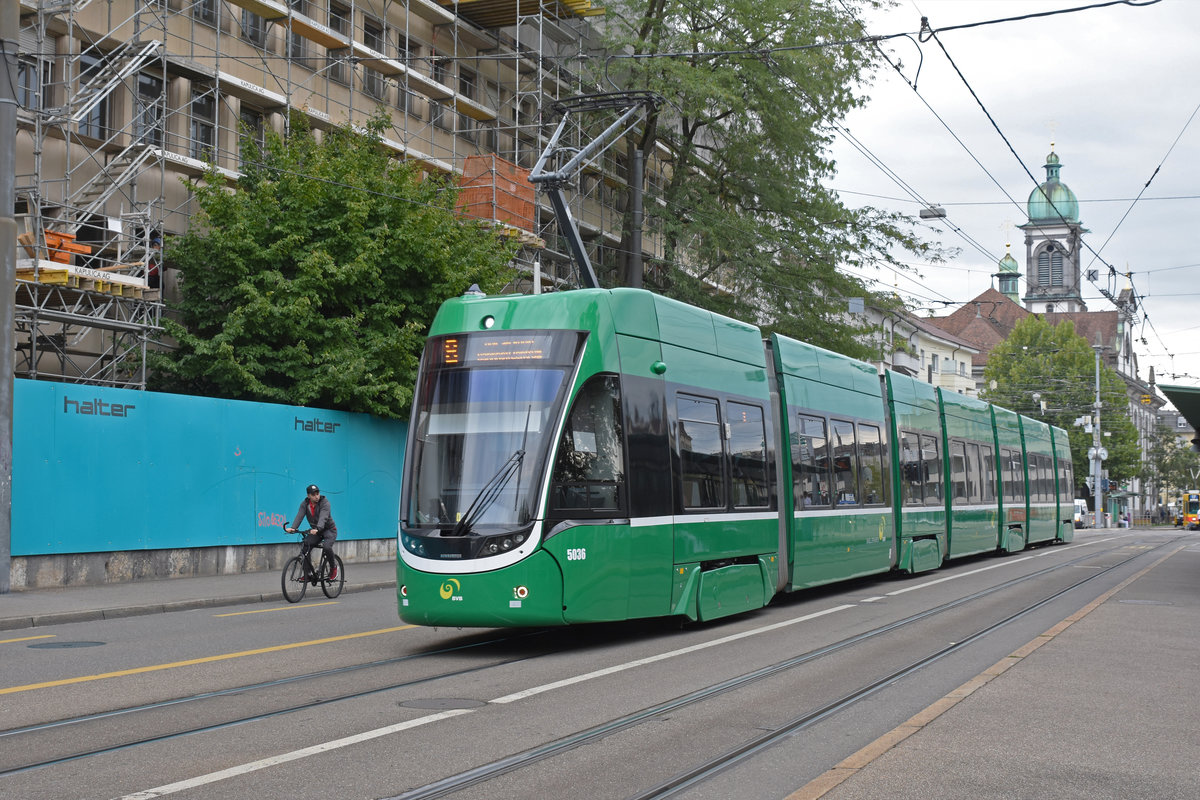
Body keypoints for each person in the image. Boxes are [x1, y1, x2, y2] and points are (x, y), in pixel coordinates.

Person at [286, 484, 338, 579]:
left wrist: (318, 528)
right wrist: (293, 528)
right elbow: (299, 516)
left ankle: (333, 567)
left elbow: (323, 517)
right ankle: (308, 573)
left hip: (329, 530)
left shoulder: (325, 503)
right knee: (305, 544)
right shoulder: (305, 504)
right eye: (313, 494)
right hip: (316, 531)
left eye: (317, 493)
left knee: (326, 547)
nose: (316, 496)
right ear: (308, 496)